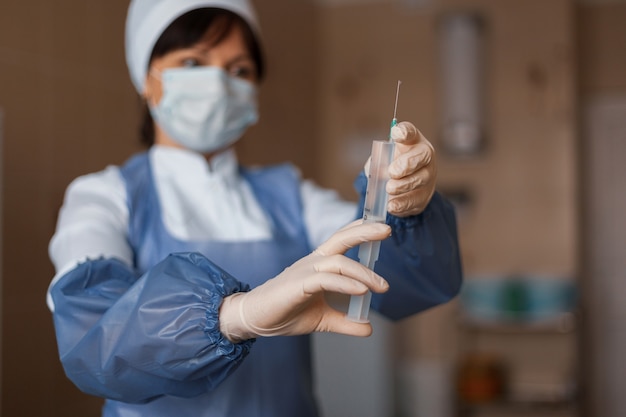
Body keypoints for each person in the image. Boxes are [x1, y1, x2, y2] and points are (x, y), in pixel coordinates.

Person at [46, 0, 463, 416]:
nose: (218, 83)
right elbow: (92, 337)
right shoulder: (104, 196)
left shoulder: (289, 195)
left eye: (239, 70)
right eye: (192, 62)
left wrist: (405, 210)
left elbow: (403, 282)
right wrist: (234, 316)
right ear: (146, 77)